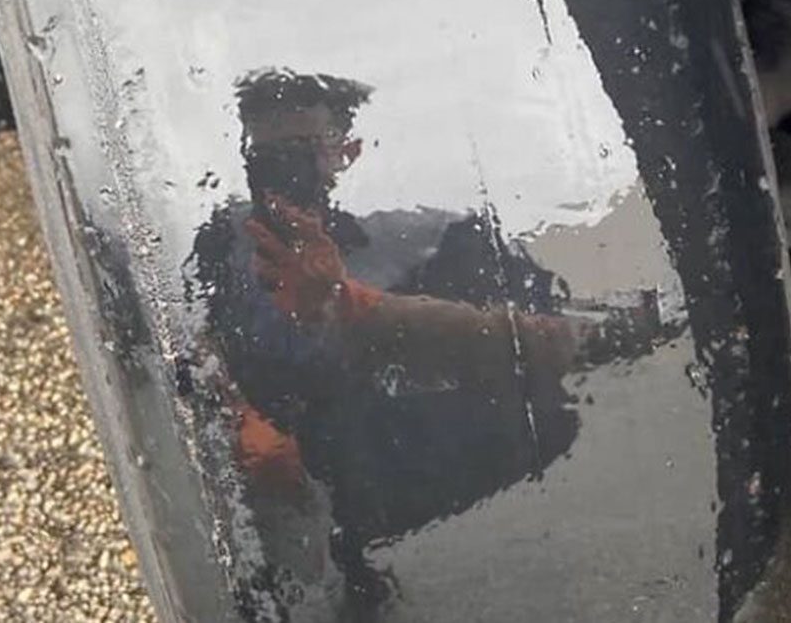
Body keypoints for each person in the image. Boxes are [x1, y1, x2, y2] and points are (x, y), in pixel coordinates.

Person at [185, 68, 663, 621]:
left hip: (374, 476)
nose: (278, 172)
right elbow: (191, 346)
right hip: (256, 516)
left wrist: (349, 308)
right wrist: (237, 411)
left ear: (346, 152)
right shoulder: (220, 245)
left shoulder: (422, 244)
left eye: (299, 151)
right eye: (262, 156)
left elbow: (539, 342)